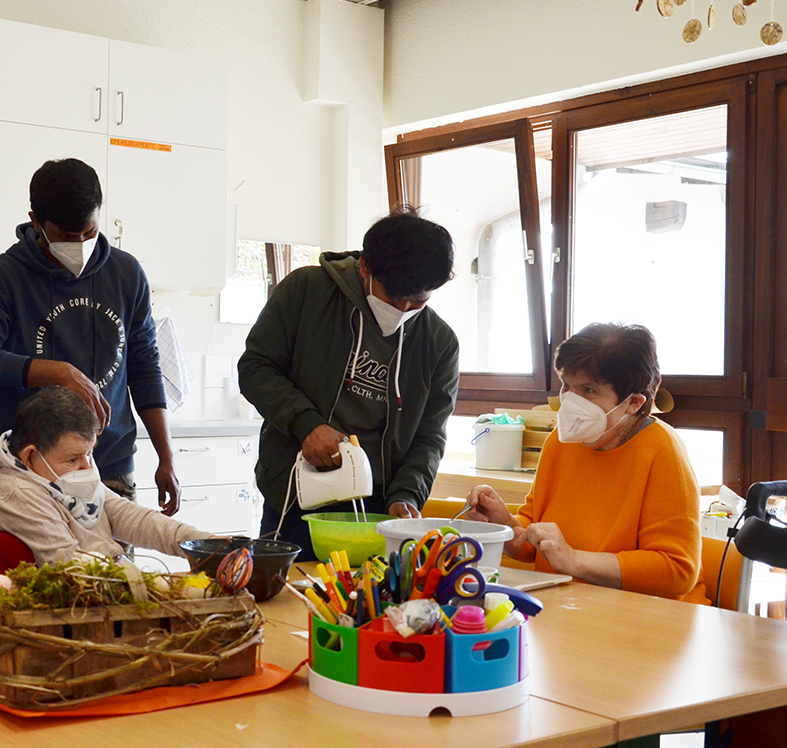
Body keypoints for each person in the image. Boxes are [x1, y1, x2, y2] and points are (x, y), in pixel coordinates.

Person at [0, 158, 180, 515]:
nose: (80, 244)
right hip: (32, 473)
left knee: (117, 554)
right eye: (67, 238)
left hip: (110, 467)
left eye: (89, 232)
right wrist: (57, 373)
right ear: (36, 221)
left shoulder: (126, 274)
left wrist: (166, 458)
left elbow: (145, 366)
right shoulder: (3, 277)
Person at [238, 208, 460, 559]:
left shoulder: (439, 342)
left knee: (373, 592)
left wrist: (407, 494)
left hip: (379, 510)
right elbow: (256, 368)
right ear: (365, 267)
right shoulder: (307, 291)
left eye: (418, 301)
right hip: (295, 496)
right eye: (394, 297)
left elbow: (429, 435)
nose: (403, 309)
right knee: (291, 591)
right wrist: (307, 425)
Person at [463, 322, 706, 603]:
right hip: (565, 606)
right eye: (567, 385)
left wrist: (573, 560)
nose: (571, 401)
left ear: (634, 403)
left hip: (642, 617)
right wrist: (502, 522)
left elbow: (677, 571)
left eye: (589, 390)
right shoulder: (561, 441)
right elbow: (531, 544)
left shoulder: (663, 452)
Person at [0, 387, 209, 565]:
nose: (87, 468)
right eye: (73, 459)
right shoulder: (16, 491)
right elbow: (69, 565)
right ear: (30, 456)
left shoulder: (54, 476)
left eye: (90, 454)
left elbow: (134, 519)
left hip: (108, 584)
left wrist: (208, 545)